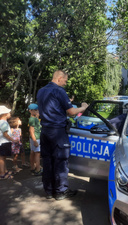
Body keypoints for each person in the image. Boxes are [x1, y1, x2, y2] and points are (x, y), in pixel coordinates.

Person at [37, 70, 88, 200]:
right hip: (57, 132)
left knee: (47, 161)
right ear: (59, 78)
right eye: (65, 81)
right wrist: (83, 107)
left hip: (45, 131)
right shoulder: (59, 91)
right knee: (60, 162)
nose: (65, 83)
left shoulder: (41, 91)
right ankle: (60, 192)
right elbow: (71, 112)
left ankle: (48, 191)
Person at [0, 106, 17, 180]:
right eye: (9, 112)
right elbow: (5, 134)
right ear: (5, 114)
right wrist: (12, 139)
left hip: (4, 142)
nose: (10, 113)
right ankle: (2, 174)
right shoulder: (3, 122)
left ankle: (5, 171)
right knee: (2, 158)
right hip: (3, 142)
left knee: (3, 158)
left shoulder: (3, 122)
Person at [28, 103, 42, 176]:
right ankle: (38, 169)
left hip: (35, 138)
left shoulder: (34, 118)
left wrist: (37, 116)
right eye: (35, 110)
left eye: (37, 110)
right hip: (36, 138)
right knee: (37, 153)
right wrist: (35, 141)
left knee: (33, 152)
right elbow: (31, 131)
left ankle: (32, 167)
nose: (37, 111)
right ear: (30, 111)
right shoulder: (32, 119)